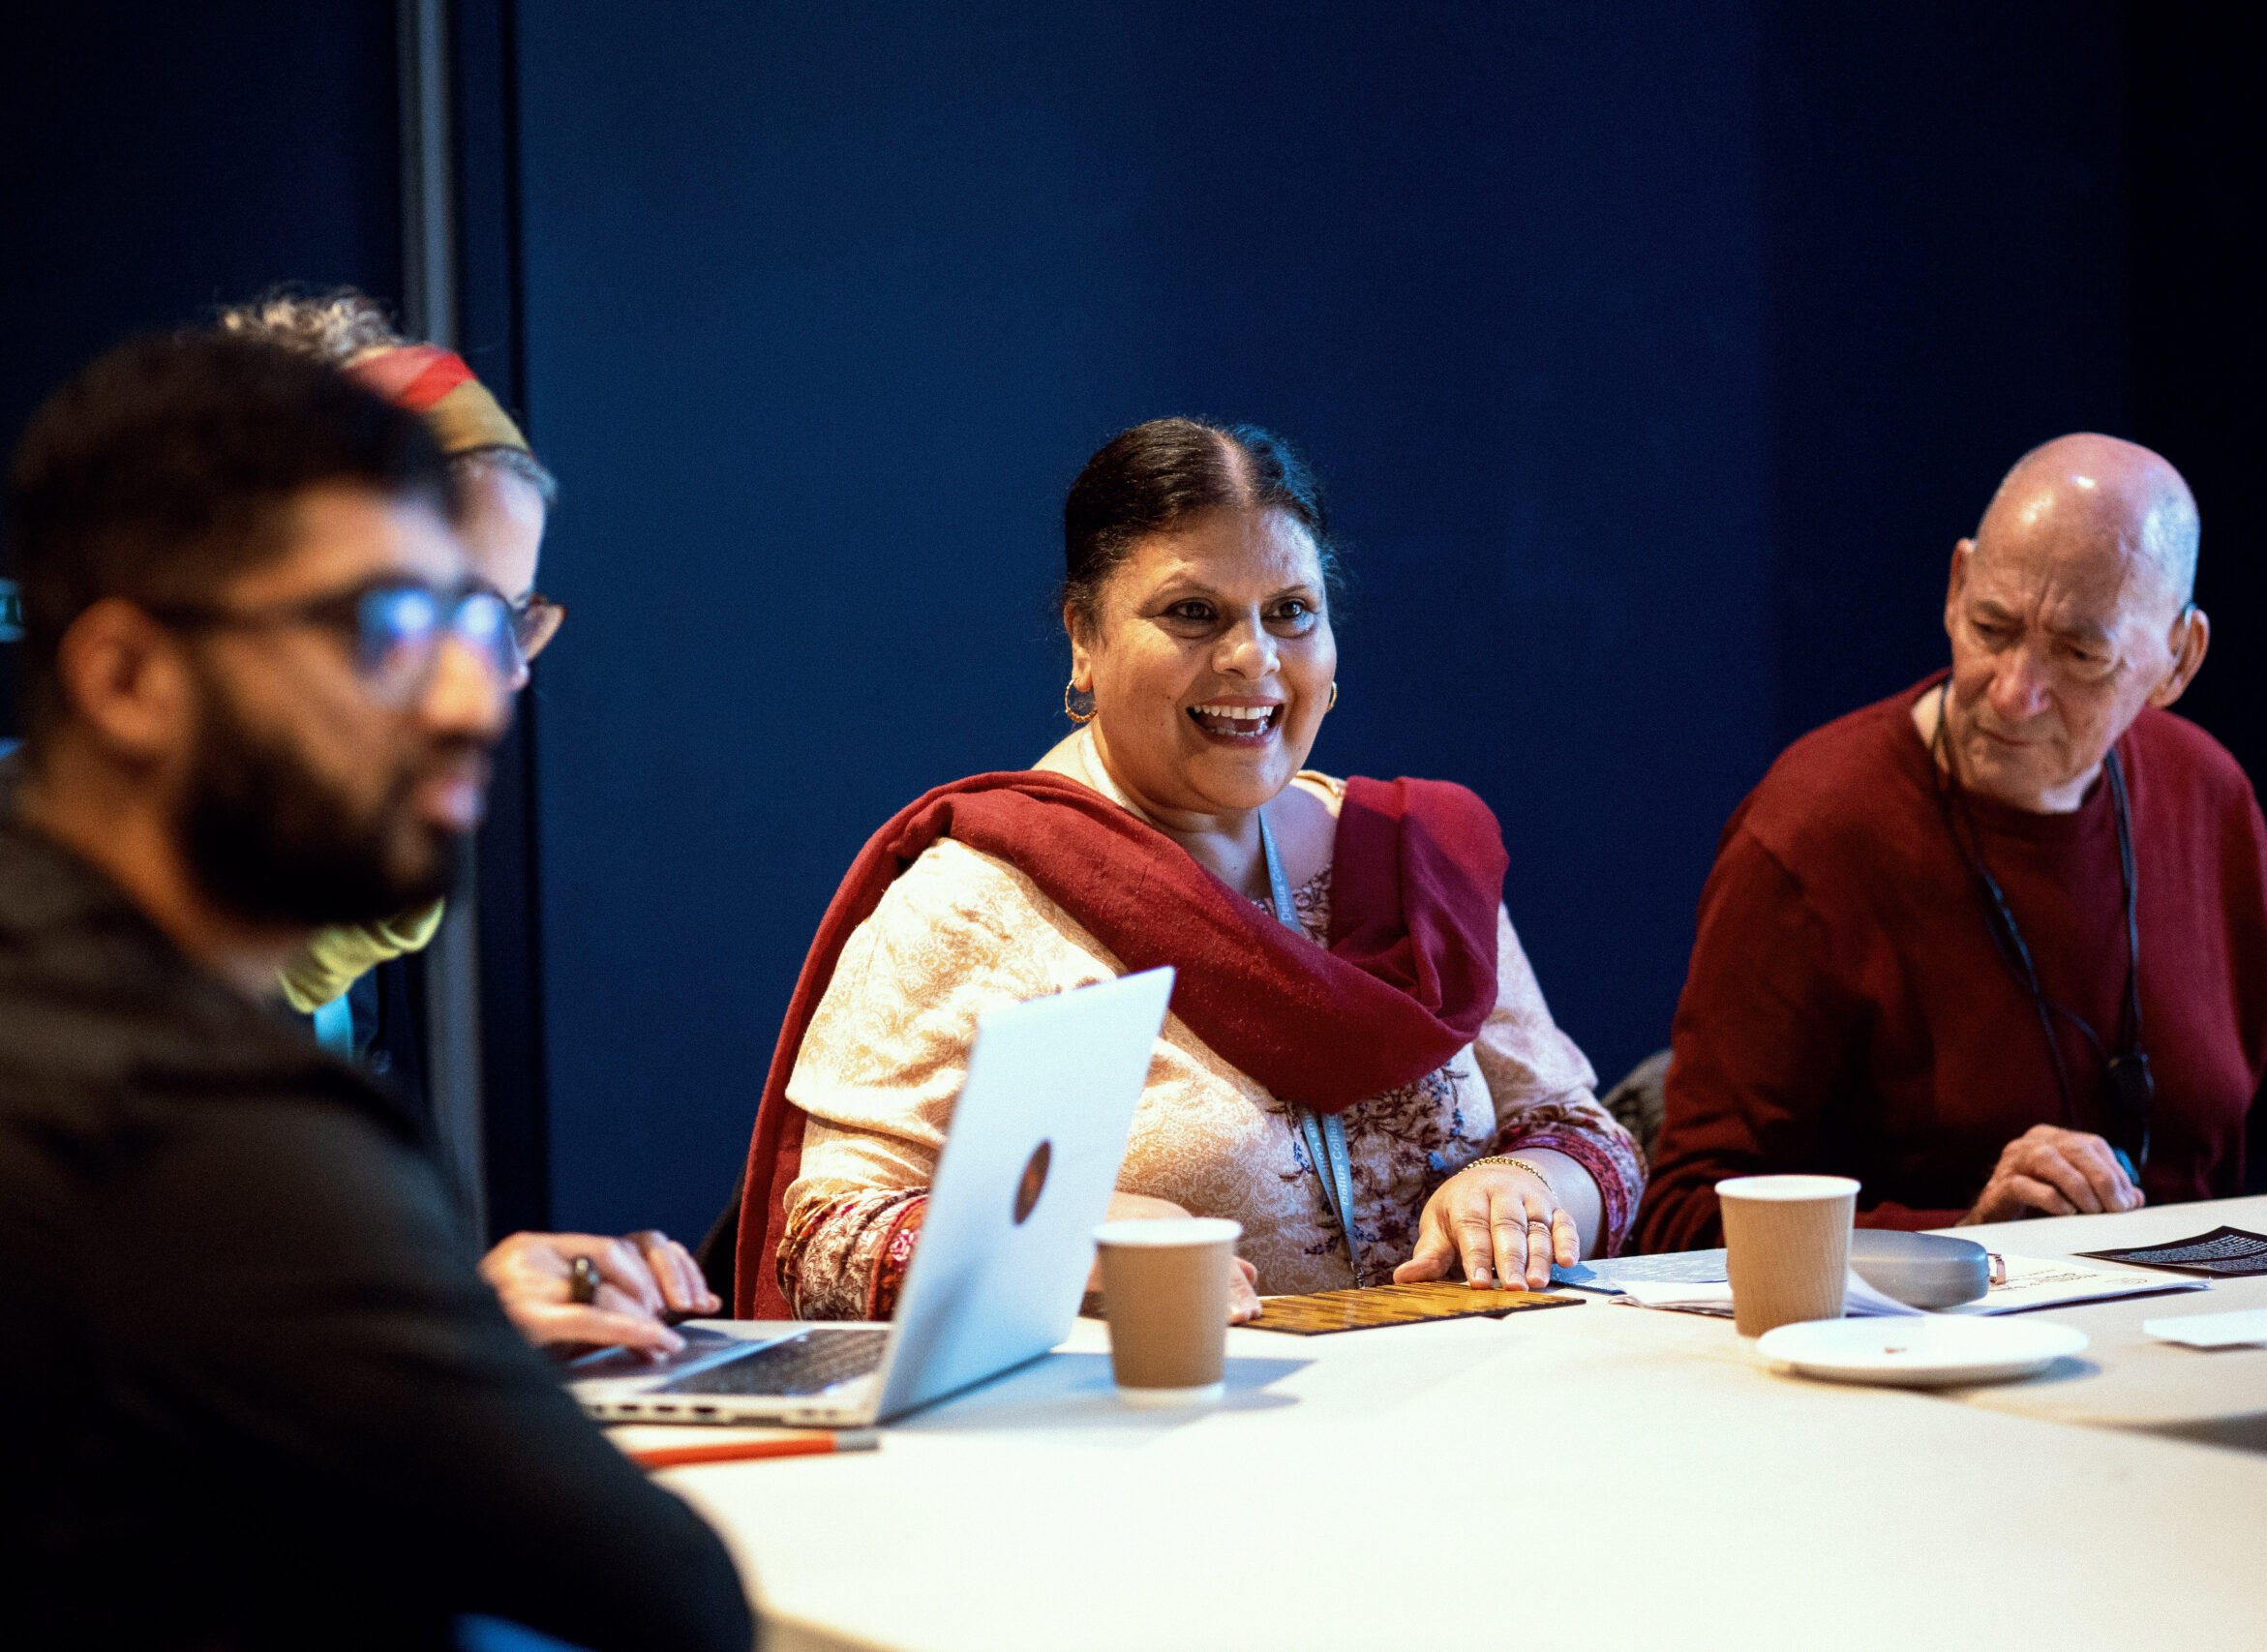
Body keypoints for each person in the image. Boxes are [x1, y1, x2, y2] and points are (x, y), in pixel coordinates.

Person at [0, 331, 749, 1649]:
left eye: (489, 622)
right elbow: (668, 1596)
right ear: (126, 677)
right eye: (388, 626)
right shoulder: (197, 1118)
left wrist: (431, 1299)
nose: (477, 699)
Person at [733, 418, 1644, 1322]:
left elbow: (1583, 1130)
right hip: (1157, 1433)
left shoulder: (1418, 859)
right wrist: (1051, 1242)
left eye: (1290, 612)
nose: (1253, 658)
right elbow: (825, 1235)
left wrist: (1530, 1187)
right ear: (1083, 638)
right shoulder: (980, 898)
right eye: (1192, 613)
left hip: (1466, 1412)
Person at [1637, 433, 2267, 1250]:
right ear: (1956, 582)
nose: (2012, 694)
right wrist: (1965, 1234)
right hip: (1922, 1358)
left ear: (2178, 661)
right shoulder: (1810, 829)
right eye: (1992, 627)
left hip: (2195, 1331)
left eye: (2080, 653)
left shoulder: (2203, 788)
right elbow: (1687, 1213)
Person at [222, 287, 719, 1351]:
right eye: (422, 609)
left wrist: (473, 1294)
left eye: (510, 620)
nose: (485, 687)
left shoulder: (329, 979)